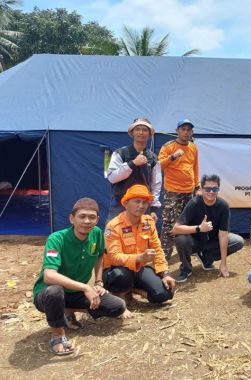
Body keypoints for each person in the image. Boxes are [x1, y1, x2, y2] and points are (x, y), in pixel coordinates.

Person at [33, 198, 126, 355]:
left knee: (117, 307)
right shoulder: (57, 239)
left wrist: (98, 282)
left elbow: (99, 256)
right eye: (82, 216)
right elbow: (49, 276)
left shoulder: (97, 234)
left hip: (75, 293)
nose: (87, 221)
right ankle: (57, 335)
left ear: (97, 219)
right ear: (72, 218)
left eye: (92, 217)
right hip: (48, 294)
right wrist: (85, 287)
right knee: (55, 291)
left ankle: (67, 310)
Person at [104, 185, 175, 315]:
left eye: (144, 202)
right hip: (117, 270)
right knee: (121, 276)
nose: (141, 206)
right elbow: (114, 257)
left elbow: (157, 250)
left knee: (165, 293)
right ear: (125, 203)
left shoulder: (149, 222)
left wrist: (165, 274)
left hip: (140, 268)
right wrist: (138, 258)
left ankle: (133, 289)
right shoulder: (113, 226)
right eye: (137, 201)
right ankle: (120, 300)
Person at [172, 174, 244, 282]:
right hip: (194, 242)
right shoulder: (194, 203)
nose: (211, 192)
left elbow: (223, 234)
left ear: (218, 189)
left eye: (214, 189)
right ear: (201, 189)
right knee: (181, 239)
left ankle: (206, 258)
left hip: (211, 242)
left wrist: (223, 264)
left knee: (238, 241)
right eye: (208, 189)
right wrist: (199, 228)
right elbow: (175, 229)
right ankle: (186, 269)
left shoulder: (223, 206)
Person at [158, 119, 200, 261]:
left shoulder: (193, 147)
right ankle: (164, 256)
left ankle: (186, 251)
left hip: (189, 191)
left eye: (189, 130)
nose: (186, 132)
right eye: (183, 129)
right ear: (177, 131)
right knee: (169, 223)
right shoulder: (168, 146)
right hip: (173, 191)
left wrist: (198, 187)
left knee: (187, 222)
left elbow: (195, 168)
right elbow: (159, 166)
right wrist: (173, 157)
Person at [105, 117, 162, 222]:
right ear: (132, 133)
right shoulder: (120, 153)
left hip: (143, 206)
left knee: (143, 237)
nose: (141, 132)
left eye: (145, 130)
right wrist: (132, 164)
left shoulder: (153, 158)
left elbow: (156, 184)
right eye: (137, 129)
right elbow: (112, 177)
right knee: (113, 235)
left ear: (149, 134)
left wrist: (154, 209)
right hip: (120, 204)